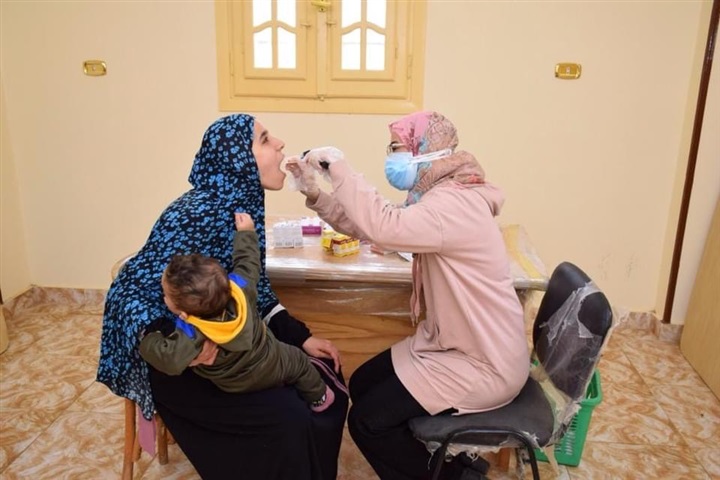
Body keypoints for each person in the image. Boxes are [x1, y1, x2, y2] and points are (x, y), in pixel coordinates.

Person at [97, 114, 348, 480]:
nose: (279, 143)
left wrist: (300, 336)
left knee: (325, 381)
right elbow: (130, 292)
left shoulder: (240, 205)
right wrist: (184, 347)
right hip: (179, 355)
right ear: (237, 159)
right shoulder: (193, 213)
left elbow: (251, 286)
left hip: (222, 343)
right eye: (264, 139)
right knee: (287, 416)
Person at [291, 111, 529, 479]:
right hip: (453, 345)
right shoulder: (440, 195)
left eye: (397, 148)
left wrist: (339, 168)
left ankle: (456, 477)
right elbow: (371, 226)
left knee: (368, 423)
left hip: (483, 361)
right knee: (363, 383)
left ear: (426, 150)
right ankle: (447, 464)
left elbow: (383, 227)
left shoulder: (453, 205)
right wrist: (316, 194)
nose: (393, 157)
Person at [139, 212, 334, 412]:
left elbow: (168, 358)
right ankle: (320, 399)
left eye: (165, 294)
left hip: (234, 386)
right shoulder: (240, 288)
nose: (163, 297)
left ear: (182, 311)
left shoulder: (191, 332)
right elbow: (249, 262)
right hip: (273, 361)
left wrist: (148, 339)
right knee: (299, 361)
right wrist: (246, 233)